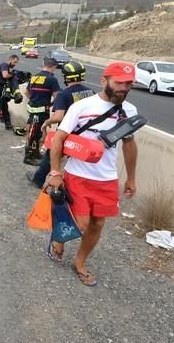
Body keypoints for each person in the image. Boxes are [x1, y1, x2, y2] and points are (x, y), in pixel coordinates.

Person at [47, 61, 139, 287]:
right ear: (104, 80)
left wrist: (131, 177)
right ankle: (59, 238)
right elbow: (59, 138)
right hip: (78, 174)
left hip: (107, 178)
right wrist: (55, 171)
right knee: (81, 224)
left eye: (129, 84)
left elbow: (129, 144)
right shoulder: (82, 106)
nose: (124, 88)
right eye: (119, 82)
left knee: (98, 224)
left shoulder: (130, 111)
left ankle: (80, 262)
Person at [27, 61, 95, 187]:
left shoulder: (64, 94)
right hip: (86, 134)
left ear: (65, 77)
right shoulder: (91, 92)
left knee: (51, 154)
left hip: (68, 132)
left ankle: (38, 179)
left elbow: (59, 116)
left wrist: (47, 122)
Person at [23, 58, 60, 165]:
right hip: (41, 110)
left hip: (32, 108)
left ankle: (35, 153)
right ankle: (29, 157)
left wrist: (35, 100)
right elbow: (57, 97)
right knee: (36, 133)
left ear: (44, 65)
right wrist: (51, 104)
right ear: (53, 67)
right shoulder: (52, 80)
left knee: (32, 130)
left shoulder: (35, 77)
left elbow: (27, 93)